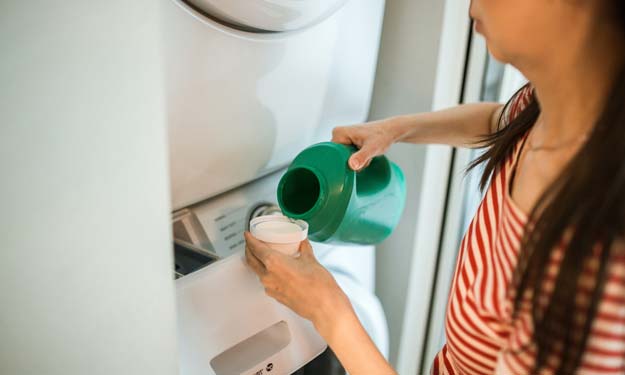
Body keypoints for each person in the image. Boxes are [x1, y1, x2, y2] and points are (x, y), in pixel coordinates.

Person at [244, 0, 625, 373]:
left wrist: (328, 310)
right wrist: (397, 129)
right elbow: (499, 120)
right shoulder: (546, 109)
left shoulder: (597, 263)